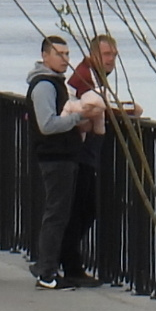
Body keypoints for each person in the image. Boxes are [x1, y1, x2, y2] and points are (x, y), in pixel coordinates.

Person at [25, 35, 97, 289]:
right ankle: (47, 272)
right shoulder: (45, 85)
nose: (65, 60)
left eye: (67, 54)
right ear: (45, 56)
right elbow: (47, 125)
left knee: (61, 213)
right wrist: (78, 117)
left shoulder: (56, 83)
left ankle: (48, 267)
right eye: (59, 54)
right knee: (56, 214)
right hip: (55, 156)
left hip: (63, 155)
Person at [63, 33, 135, 281]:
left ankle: (67, 261)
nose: (111, 59)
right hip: (78, 151)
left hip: (82, 151)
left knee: (82, 208)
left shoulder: (91, 76)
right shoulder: (85, 77)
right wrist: (126, 112)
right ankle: (70, 264)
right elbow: (91, 107)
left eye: (114, 55)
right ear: (93, 55)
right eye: (106, 54)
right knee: (81, 209)